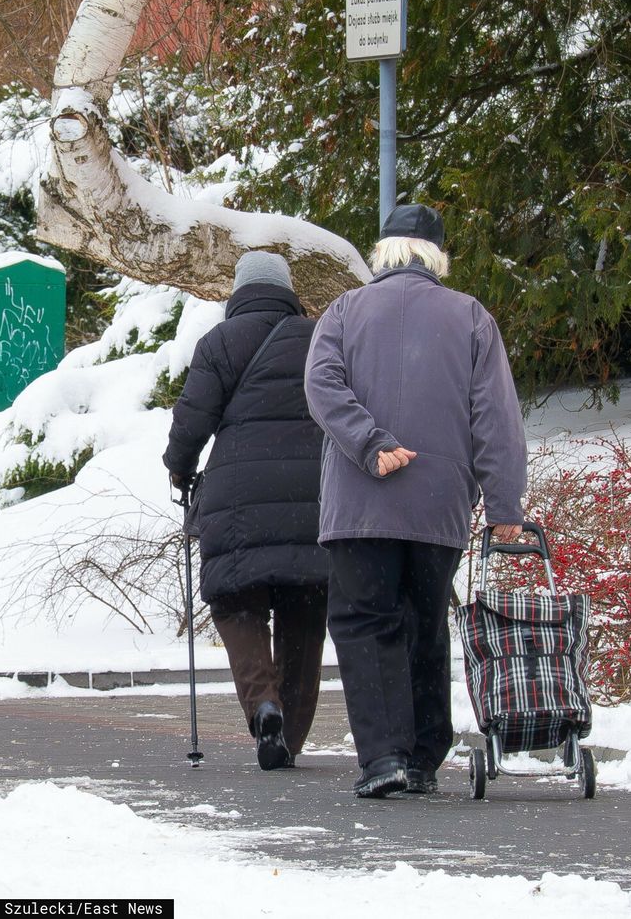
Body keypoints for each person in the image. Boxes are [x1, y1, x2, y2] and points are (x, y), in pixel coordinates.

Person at [305, 203, 528, 798]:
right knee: (424, 622)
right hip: (439, 502)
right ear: (436, 256)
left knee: (365, 621)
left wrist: (370, 442)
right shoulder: (472, 318)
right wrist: (506, 506)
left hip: (359, 503)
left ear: (382, 253)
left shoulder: (344, 312)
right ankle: (426, 754)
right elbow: (496, 419)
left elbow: (321, 387)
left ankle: (384, 759)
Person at [163, 251, 328, 771]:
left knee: (237, 602)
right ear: (287, 290)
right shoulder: (318, 336)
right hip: (313, 493)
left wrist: (179, 468)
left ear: (238, 291)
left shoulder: (218, 343)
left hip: (237, 495)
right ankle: (291, 736)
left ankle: (264, 705)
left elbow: (191, 423)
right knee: (306, 609)